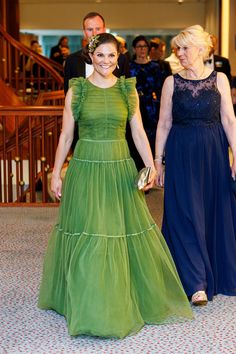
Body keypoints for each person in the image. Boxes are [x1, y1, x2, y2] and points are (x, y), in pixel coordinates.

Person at [38, 33, 193, 339]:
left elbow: (137, 132)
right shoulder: (77, 90)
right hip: (85, 167)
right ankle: (90, 302)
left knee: (116, 232)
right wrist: (56, 173)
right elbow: (66, 136)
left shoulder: (127, 90)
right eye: (100, 56)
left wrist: (149, 164)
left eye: (112, 56)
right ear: (91, 57)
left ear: (118, 58)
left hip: (119, 168)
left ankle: (116, 297)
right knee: (90, 233)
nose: (106, 62)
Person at [155, 25, 236, 306]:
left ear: (201, 49)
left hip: (213, 152)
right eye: (177, 48)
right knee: (185, 214)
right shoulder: (171, 83)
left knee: (213, 210)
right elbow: (164, 123)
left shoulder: (221, 80)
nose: (179, 53)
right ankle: (195, 283)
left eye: (184, 48)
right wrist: (157, 161)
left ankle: (213, 272)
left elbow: (229, 120)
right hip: (181, 152)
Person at [64, 12, 130, 93]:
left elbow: (127, 91)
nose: (94, 34)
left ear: (104, 30)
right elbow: (68, 93)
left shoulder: (121, 59)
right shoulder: (72, 60)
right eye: (90, 29)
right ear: (84, 32)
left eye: (98, 29)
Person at [130, 35, 165, 169]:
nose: (142, 49)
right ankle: (136, 169)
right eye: (139, 46)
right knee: (135, 136)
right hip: (134, 103)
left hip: (151, 107)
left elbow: (160, 88)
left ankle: (149, 171)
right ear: (134, 49)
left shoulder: (155, 67)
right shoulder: (129, 67)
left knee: (151, 138)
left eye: (144, 46)